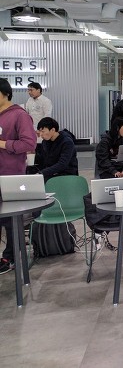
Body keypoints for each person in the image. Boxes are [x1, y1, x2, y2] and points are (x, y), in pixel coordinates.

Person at [0, 78, 37, 275]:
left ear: (5, 93)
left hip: (10, 176)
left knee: (11, 222)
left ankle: (10, 258)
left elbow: (29, 144)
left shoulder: (19, 115)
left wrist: (3, 144)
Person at [35, 117, 78, 181]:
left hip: (67, 175)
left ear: (53, 130)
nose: (41, 134)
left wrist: (42, 173)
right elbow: (43, 160)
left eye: (43, 131)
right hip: (52, 174)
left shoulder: (67, 142)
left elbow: (62, 164)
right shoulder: (45, 142)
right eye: (39, 132)